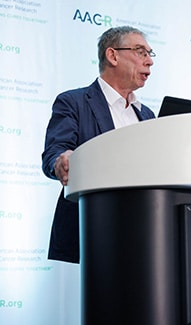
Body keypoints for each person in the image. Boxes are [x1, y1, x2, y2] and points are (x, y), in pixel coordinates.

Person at [42, 26, 156, 263]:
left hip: (144, 231)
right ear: (112, 55)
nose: (149, 62)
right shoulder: (73, 102)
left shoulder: (147, 115)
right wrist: (62, 162)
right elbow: (55, 152)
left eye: (150, 53)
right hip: (93, 230)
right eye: (140, 52)